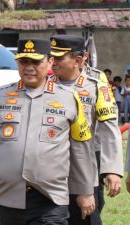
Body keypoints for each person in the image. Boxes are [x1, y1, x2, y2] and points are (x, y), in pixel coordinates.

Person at [0, 38, 95, 225]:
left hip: (51, 197)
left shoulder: (69, 98)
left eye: (36, 62)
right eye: (23, 62)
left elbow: (81, 148)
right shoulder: (0, 97)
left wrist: (85, 190)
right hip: (8, 196)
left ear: (50, 62)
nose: (29, 67)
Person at [50, 34, 123, 225]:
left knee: (87, 217)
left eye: (59, 57)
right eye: (52, 57)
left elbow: (109, 130)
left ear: (79, 60)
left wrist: (112, 170)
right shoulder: (45, 86)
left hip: (85, 165)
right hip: (51, 167)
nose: (53, 61)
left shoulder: (97, 87)